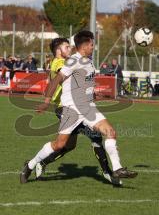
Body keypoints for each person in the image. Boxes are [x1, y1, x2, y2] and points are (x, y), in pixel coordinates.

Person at [20, 31, 137, 184]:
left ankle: (117, 169)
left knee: (110, 132)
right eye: (92, 44)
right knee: (60, 144)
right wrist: (47, 101)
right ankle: (31, 164)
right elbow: (56, 81)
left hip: (88, 108)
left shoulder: (88, 60)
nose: (93, 47)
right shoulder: (72, 61)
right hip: (71, 110)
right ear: (84, 45)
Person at [34, 37, 120, 186]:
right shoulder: (59, 62)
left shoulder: (73, 61)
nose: (70, 49)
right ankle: (108, 173)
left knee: (68, 145)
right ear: (58, 51)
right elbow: (66, 75)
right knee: (95, 137)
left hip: (77, 106)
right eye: (67, 47)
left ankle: (41, 162)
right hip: (65, 107)